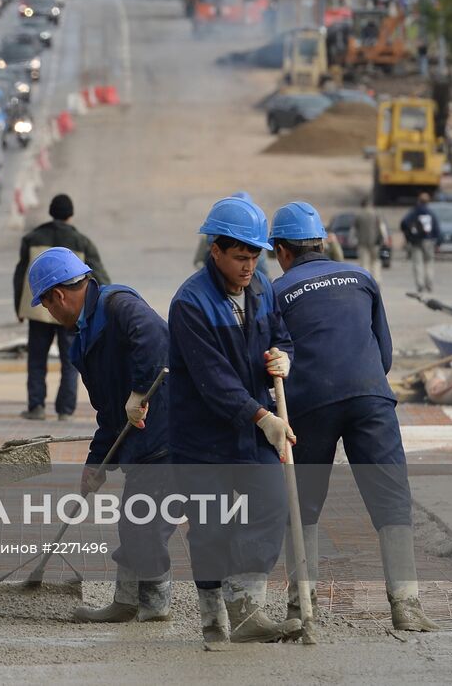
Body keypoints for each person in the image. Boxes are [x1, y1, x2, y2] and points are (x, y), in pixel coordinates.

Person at [269, 202, 439, 631]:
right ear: (324, 243)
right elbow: (384, 353)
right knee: (391, 499)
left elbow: (271, 358)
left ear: (281, 251)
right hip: (371, 397)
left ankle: (301, 609)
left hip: (308, 404)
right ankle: (407, 607)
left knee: (302, 506)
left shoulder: (277, 292)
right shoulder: (362, 278)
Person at [168, 195, 302, 646]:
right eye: (240, 257)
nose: (249, 266)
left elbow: (281, 336)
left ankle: (245, 609)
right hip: (203, 434)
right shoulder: (190, 303)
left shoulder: (262, 288)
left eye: (255, 256)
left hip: (251, 428)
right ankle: (212, 619)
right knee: (209, 526)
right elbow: (213, 380)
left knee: (269, 503)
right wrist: (263, 417)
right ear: (216, 251)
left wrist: (286, 355)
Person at [27, 249, 176, 624]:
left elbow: (157, 340)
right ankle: (126, 600)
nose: (49, 314)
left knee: (145, 523)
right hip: (139, 442)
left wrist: (140, 391)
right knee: (135, 521)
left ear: (57, 296)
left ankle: (156, 603)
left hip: (167, 434)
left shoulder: (118, 306)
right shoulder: (82, 341)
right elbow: (109, 413)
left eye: (46, 305)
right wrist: (95, 465)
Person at [13, 193, 109, 421]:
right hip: (71, 311)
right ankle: (65, 410)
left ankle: (36, 407)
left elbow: (20, 276)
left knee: (36, 359)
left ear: (51, 212)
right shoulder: (82, 241)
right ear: (71, 214)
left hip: (40, 310)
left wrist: (19, 306)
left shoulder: (32, 238)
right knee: (70, 360)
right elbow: (99, 275)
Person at [400, 192, 440, 294]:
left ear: (419, 201)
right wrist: (437, 241)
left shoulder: (414, 212)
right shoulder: (431, 213)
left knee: (418, 263)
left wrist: (408, 236)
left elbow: (404, 223)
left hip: (416, 241)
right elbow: (436, 228)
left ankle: (420, 285)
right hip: (428, 240)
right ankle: (429, 284)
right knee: (429, 262)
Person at [353, 196, 385, 280]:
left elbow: (354, 229)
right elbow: (381, 227)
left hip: (362, 242)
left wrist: (353, 240)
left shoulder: (359, 215)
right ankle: (377, 280)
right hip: (375, 243)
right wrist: (383, 239)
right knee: (375, 262)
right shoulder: (376, 214)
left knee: (364, 263)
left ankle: (366, 279)